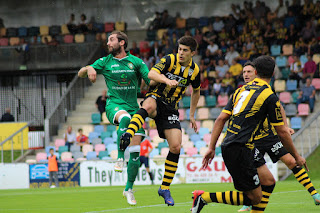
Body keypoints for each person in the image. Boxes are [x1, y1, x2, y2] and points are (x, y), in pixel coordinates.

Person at [191, 56, 307, 213]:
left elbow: (220, 119)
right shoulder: (269, 96)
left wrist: (211, 147)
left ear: (256, 72)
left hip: (237, 146)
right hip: (240, 148)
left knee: (268, 182)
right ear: (273, 74)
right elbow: (282, 132)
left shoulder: (240, 90)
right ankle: (204, 197)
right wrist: (297, 156)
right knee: (254, 198)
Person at [120, 36, 201, 206]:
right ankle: (128, 133)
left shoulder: (195, 71)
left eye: (185, 50)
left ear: (193, 53)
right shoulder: (169, 60)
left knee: (176, 146)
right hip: (156, 97)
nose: (181, 53)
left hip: (171, 107)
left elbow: (196, 91)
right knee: (148, 105)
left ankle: (164, 188)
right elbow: (151, 74)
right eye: (179, 49)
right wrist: (166, 80)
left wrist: (192, 115)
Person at [78, 31, 152, 206]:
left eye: (111, 40)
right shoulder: (105, 61)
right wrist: (88, 68)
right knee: (125, 119)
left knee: (135, 153)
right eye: (108, 40)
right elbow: (81, 73)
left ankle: (129, 188)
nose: (108, 43)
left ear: (122, 43)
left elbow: (149, 79)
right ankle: (119, 157)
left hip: (135, 108)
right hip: (114, 106)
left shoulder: (136, 62)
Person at [238, 62, 320, 211]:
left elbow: (279, 107)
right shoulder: (242, 91)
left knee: (292, 161)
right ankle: (248, 202)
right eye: (244, 72)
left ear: (256, 73)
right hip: (252, 139)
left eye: (249, 71)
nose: (246, 75)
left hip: (269, 136)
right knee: (251, 171)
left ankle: (315, 195)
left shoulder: (266, 90)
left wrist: (285, 125)